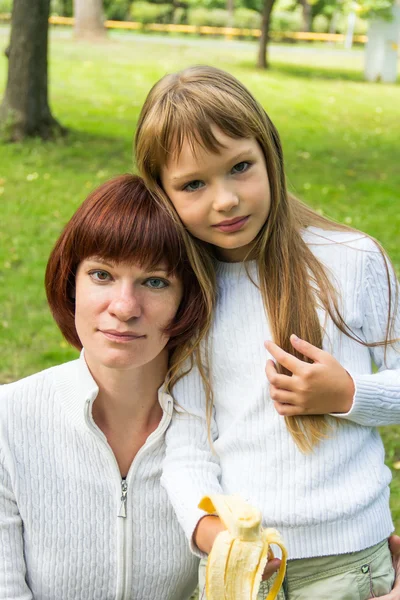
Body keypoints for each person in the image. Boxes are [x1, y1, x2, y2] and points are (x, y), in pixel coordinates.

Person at [134, 66, 400, 599]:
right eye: (193, 184)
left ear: (269, 154)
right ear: (162, 193)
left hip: (346, 567)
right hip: (240, 573)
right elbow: (185, 444)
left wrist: (348, 394)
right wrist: (217, 538)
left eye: (239, 168)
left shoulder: (351, 260)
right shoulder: (186, 295)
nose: (226, 199)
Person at [0, 174, 205, 599]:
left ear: (188, 299)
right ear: (71, 282)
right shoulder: (7, 422)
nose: (124, 307)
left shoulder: (221, 427)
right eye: (101, 274)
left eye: (155, 281)